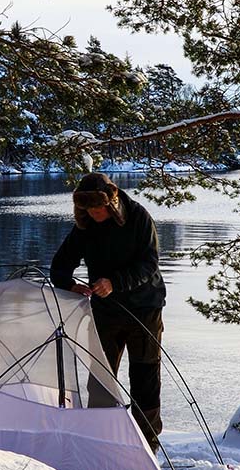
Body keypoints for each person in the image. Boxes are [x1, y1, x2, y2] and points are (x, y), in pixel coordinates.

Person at [50, 172, 166, 453]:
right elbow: (59, 266)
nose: (94, 213)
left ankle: (146, 446)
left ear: (112, 201)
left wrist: (115, 283)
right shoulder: (85, 226)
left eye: (98, 208)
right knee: (100, 381)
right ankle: (100, 442)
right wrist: (70, 285)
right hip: (106, 313)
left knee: (145, 379)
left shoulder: (138, 217)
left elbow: (150, 264)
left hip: (145, 310)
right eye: (88, 208)